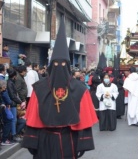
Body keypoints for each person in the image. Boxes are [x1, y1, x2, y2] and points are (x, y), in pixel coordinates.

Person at [22, 19, 98, 159]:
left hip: (69, 140)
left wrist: (82, 144)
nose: (59, 66)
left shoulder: (79, 89)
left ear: (68, 66)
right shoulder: (40, 88)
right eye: (56, 63)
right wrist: (32, 142)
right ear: (51, 66)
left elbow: (85, 120)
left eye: (63, 63)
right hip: (44, 141)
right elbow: (33, 118)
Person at [6, 68, 25, 142]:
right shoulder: (10, 83)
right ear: (14, 76)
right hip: (12, 104)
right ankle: (13, 135)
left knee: (16, 120)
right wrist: (20, 102)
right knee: (13, 120)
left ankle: (14, 134)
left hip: (13, 103)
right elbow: (13, 95)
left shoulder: (11, 82)